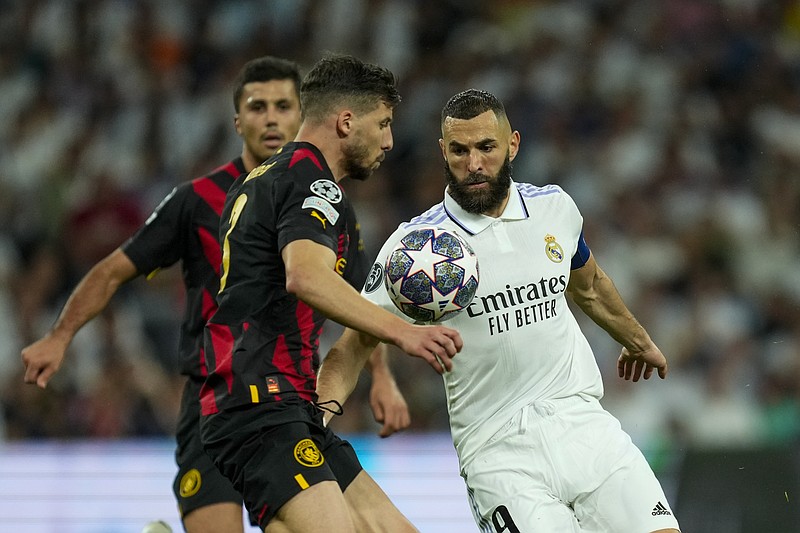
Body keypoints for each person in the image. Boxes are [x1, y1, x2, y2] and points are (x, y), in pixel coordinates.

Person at [20, 56, 411, 533]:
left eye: (283, 105)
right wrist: (59, 335)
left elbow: (353, 301)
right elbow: (111, 272)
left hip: (287, 397)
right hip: (240, 392)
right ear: (237, 120)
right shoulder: (213, 197)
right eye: (257, 106)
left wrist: (380, 376)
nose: (271, 117)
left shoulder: (317, 200)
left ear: (299, 113)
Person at [317, 89, 682, 533]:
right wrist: (317, 418)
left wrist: (638, 341)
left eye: (486, 147)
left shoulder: (554, 208)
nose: (473, 164)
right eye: (459, 150)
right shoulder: (416, 251)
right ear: (442, 151)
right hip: (498, 454)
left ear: (512, 144)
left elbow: (588, 286)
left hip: (585, 426)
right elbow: (355, 343)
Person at [199, 53, 462, 533]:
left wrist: (334, 399)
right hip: (259, 403)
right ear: (345, 121)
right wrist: (407, 335)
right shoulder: (310, 182)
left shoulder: (263, 181)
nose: (389, 141)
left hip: (288, 404)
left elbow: (348, 308)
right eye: (382, 124)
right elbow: (306, 276)